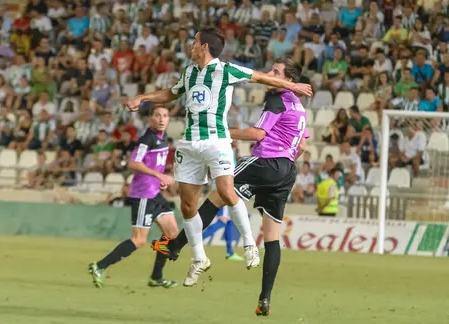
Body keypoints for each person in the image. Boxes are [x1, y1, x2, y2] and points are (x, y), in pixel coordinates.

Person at [126, 28, 313, 287]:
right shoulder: (189, 72)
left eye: (194, 41)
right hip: (190, 143)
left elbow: (259, 77)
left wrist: (293, 86)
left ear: (204, 47)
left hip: (217, 140)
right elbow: (170, 93)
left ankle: (249, 244)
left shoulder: (226, 70)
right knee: (188, 205)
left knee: (225, 190)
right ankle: (199, 258)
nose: (190, 45)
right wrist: (144, 97)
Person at [151, 58, 308, 316]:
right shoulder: (298, 106)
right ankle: (264, 299)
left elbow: (259, 134)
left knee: (217, 196)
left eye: (276, 72)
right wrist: (282, 167)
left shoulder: (276, 100)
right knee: (272, 238)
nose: (270, 74)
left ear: (288, 81)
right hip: (288, 170)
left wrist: (222, 131)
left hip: (266, 163)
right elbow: (301, 146)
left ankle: (176, 245)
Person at [88, 106, 179, 289]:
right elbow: (133, 163)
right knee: (138, 240)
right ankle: (99, 266)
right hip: (143, 194)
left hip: (155, 194)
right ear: (150, 119)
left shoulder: (163, 139)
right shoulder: (147, 139)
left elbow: (155, 165)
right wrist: (159, 176)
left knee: (172, 234)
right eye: (157, 115)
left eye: (165, 115)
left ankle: (156, 276)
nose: (162, 119)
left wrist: (159, 180)